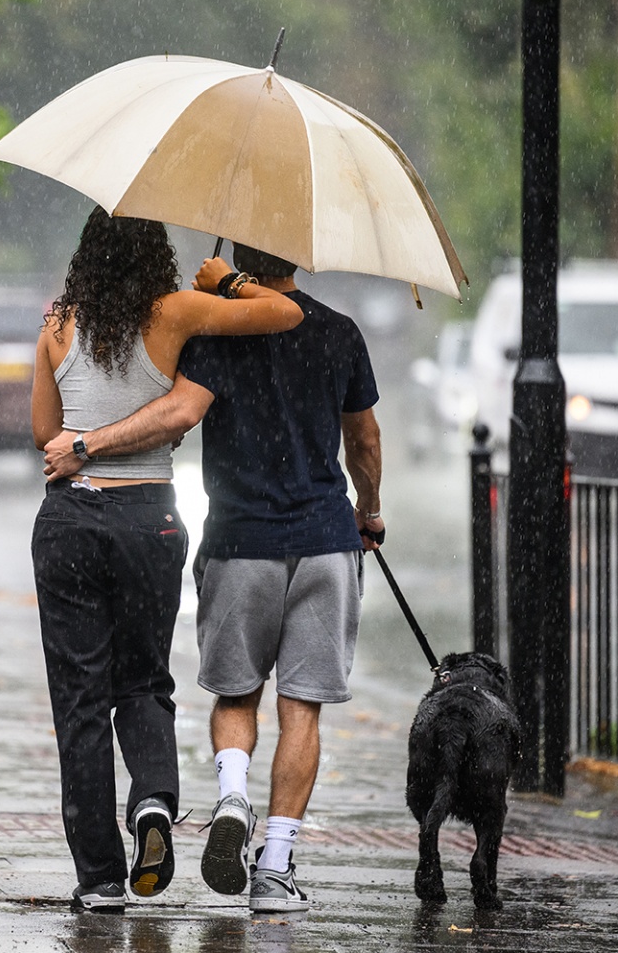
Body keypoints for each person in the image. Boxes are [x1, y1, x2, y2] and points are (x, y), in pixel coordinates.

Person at [44, 242, 383, 913]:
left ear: (238, 255)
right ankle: (277, 866)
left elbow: (180, 410)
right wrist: (368, 511)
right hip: (323, 537)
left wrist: (91, 441)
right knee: (302, 708)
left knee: (236, 694)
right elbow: (364, 440)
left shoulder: (216, 328)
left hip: (241, 540)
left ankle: (232, 795)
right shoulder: (341, 332)